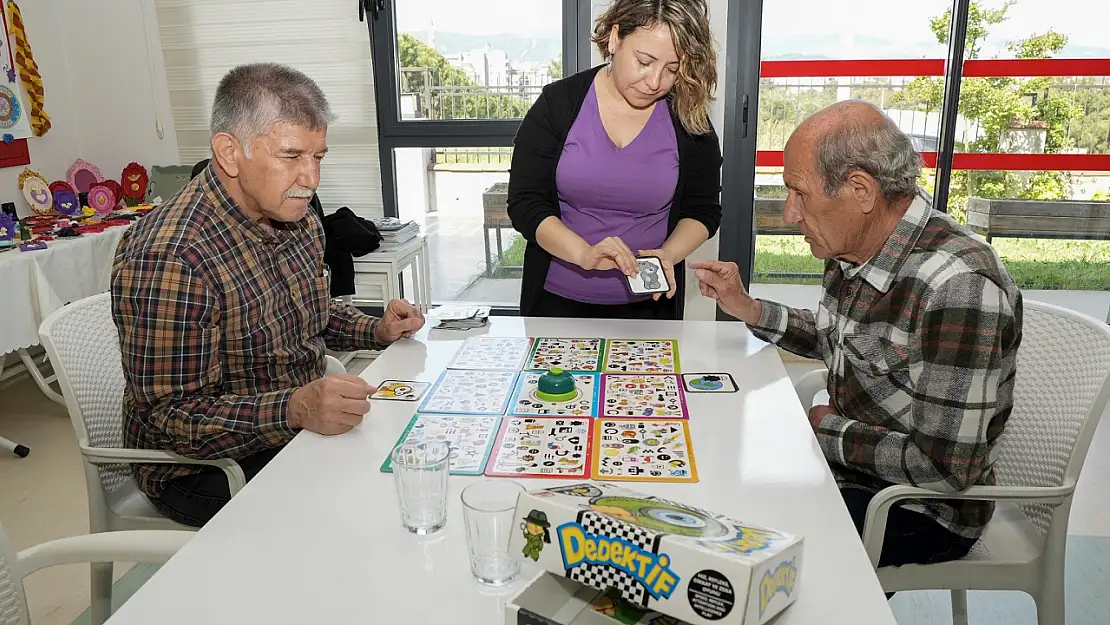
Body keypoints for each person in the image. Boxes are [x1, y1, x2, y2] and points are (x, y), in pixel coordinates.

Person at [693, 100, 1023, 568]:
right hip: (850, 469)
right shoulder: (857, 242)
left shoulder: (960, 289)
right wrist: (748, 308)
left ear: (860, 190)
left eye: (798, 193)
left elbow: (945, 469)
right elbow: (843, 340)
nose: (789, 214)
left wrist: (825, 428)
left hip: (919, 509)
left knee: (741, 545)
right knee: (720, 485)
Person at [110, 63, 425, 527]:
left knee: (412, 458)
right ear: (229, 153)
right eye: (291, 155)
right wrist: (295, 407)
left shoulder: (296, 217)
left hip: (292, 430)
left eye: (318, 157)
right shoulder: (172, 257)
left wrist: (374, 328)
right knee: (370, 512)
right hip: (201, 468)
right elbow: (173, 421)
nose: (311, 178)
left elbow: (310, 314)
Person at [507, 0, 723, 320]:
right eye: (644, 61)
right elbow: (526, 203)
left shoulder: (688, 120)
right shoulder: (558, 105)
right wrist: (583, 254)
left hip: (651, 305)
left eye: (672, 69)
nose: (655, 81)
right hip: (556, 302)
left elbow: (702, 210)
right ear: (615, 38)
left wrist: (668, 254)